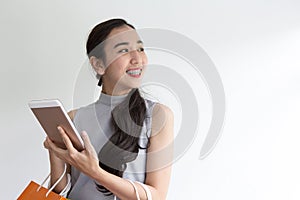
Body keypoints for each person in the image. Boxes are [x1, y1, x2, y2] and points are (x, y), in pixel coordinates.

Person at [43, 18, 174, 200]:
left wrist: (96, 172)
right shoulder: (74, 117)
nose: (137, 59)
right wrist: (55, 154)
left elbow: (157, 195)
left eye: (140, 49)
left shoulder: (157, 116)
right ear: (98, 64)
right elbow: (59, 193)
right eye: (123, 50)